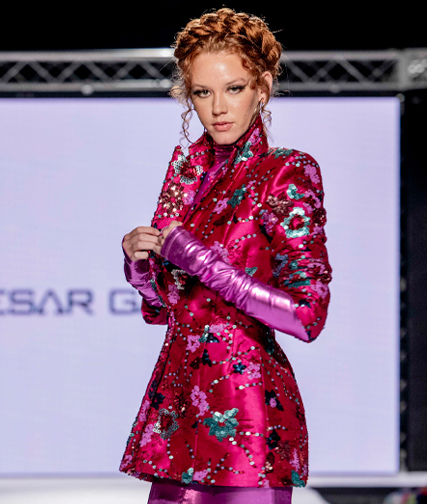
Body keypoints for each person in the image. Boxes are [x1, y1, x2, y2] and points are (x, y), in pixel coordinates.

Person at [119, 7, 332, 503]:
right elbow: (165, 307)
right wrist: (139, 266)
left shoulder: (287, 173)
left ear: (262, 88)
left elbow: (308, 315)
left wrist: (198, 260)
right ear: (186, 95)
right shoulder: (187, 177)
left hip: (244, 419)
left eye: (234, 88)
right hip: (175, 416)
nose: (218, 107)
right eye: (202, 92)